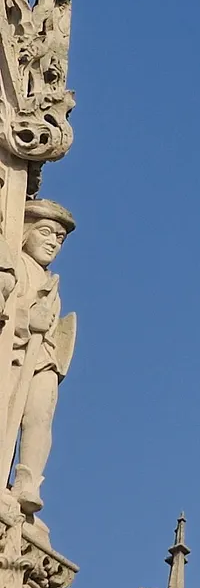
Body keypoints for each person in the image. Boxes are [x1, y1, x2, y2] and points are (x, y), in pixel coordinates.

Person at [0, 199, 74, 514]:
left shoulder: (48, 278)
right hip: (14, 354)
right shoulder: (13, 262)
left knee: (40, 416)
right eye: (45, 232)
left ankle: (27, 480)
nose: (52, 242)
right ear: (26, 229)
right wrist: (25, 320)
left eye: (59, 238)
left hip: (43, 358)